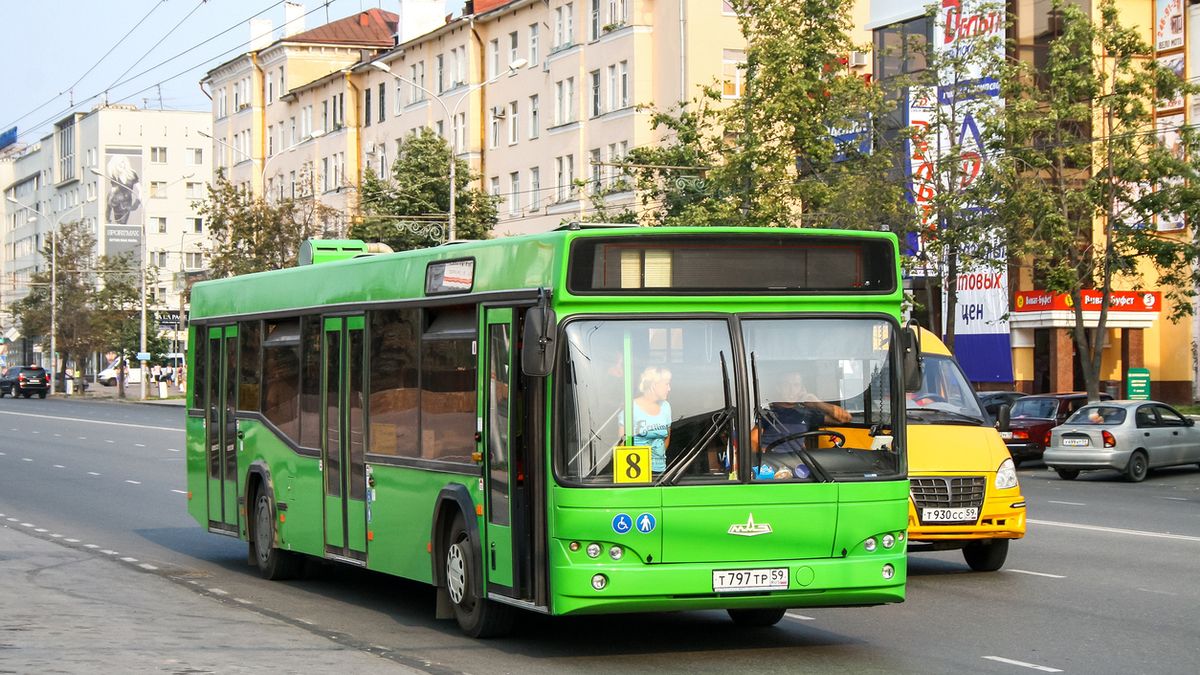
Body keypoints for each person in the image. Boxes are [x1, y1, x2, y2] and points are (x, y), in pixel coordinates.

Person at [622, 366, 672, 474]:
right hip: (636, 472)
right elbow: (622, 443)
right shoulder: (631, 407)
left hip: (660, 471)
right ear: (654, 386)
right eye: (666, 384)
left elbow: (667, 436)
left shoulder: (666, 406)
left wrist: (657, 458)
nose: (669, 389)